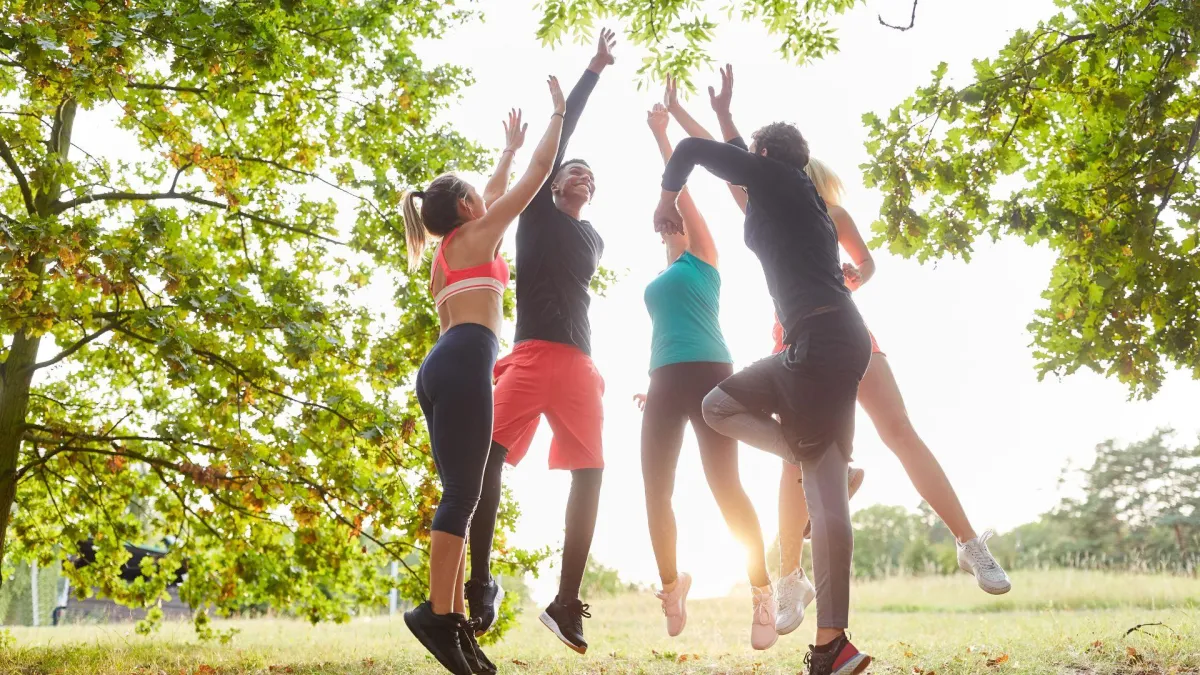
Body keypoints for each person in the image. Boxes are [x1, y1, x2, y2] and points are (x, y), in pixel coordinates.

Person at [653, 65, 872, 675]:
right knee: (719, 406)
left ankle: (833, 643)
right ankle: (811, 458)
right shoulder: (784, 191)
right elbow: (729, 162)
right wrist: (725, 113)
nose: (743, 161)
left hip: (824, 341)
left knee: (827, 503)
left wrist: (667, 194)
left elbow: (702, 154)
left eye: (750, 152)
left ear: (766, 156)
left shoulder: (779, 180)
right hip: (814, 342)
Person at [771, 158, 1012, 637]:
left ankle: (968, 543)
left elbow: (867, 262)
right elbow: (730, 166)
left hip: (849, 333)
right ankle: (790, 578)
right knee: (793, 460)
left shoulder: (833, 218)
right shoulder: (769, 222)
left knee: (900, 431)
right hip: (794, 340)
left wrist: (853, 277)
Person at [402, 81, 566, 675]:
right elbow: (537, 176)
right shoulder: (477, 235)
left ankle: (448, 626)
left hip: (440, 363)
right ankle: (436, 617)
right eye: (476, 195)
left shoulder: (449, 251)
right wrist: (556, 115)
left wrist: (504, 152)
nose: (484, 196)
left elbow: (494, 190)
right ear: (467, 209)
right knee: (463, 496)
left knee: (459, 494)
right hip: (470, 357)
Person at [465, 29, 616, 655]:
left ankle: (564, 602)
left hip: (579, 364)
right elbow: (562, 139)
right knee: (484, 459)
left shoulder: (595, 239)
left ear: (592, 192)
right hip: (527, 356)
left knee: (593, 473)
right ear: (554, 184)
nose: (579, 174)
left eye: (588, 174)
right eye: (570, 169)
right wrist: (591, 72)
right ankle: (479, 586)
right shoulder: (538, 212)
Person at [634, 100, 776, 649]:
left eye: (677, 224)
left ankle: (762, 594)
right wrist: (653, 384)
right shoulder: (660, 277)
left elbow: (684, 192)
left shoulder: (706, 260)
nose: (671, 228)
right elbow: (663, 334)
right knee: (654, 489)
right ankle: (671, 586)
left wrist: (662, 136)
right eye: (666, 226)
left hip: (714, 374)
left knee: (725, 486)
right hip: (665, 379)